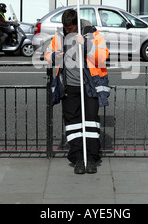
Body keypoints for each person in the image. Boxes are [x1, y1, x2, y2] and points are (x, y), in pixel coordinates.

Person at [45, 9, 110, 175]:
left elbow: (102, 57)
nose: (68, 31)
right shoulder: (59, 36)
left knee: (90, 122)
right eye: (66, 28)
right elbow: (47, 54)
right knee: (73, 124)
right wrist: (55, 56)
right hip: (69, 87)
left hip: (89, 86)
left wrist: (86, 45)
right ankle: (78, 158)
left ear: (77, 24)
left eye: (71, 28)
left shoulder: (92, 34)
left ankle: (92, 158)